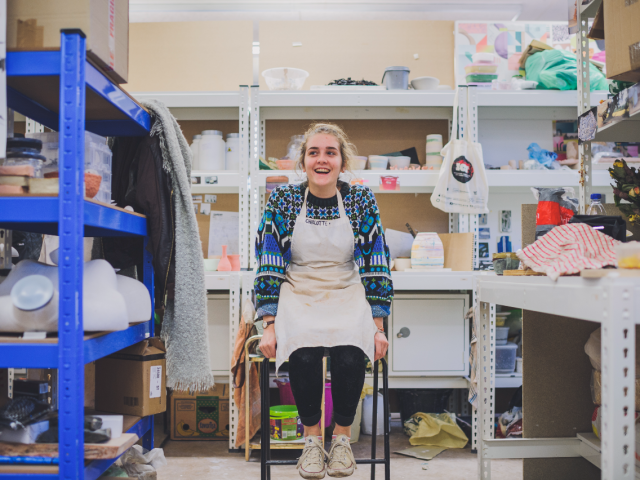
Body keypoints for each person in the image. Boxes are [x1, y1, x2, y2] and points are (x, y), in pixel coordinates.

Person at [254, 123, 393, 479]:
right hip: (298, 291)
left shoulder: (360, 200)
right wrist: (268, 325)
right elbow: (269, 261)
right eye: (314, 152)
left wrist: (377, 325)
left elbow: (376, 259)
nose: (322, 159)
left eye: (330, 152)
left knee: (350, 352)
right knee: (303, 351)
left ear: (342, 162)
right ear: (303, 161)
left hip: (346, 290)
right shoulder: (283, 201)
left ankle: (342, 441)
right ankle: (313, 443)